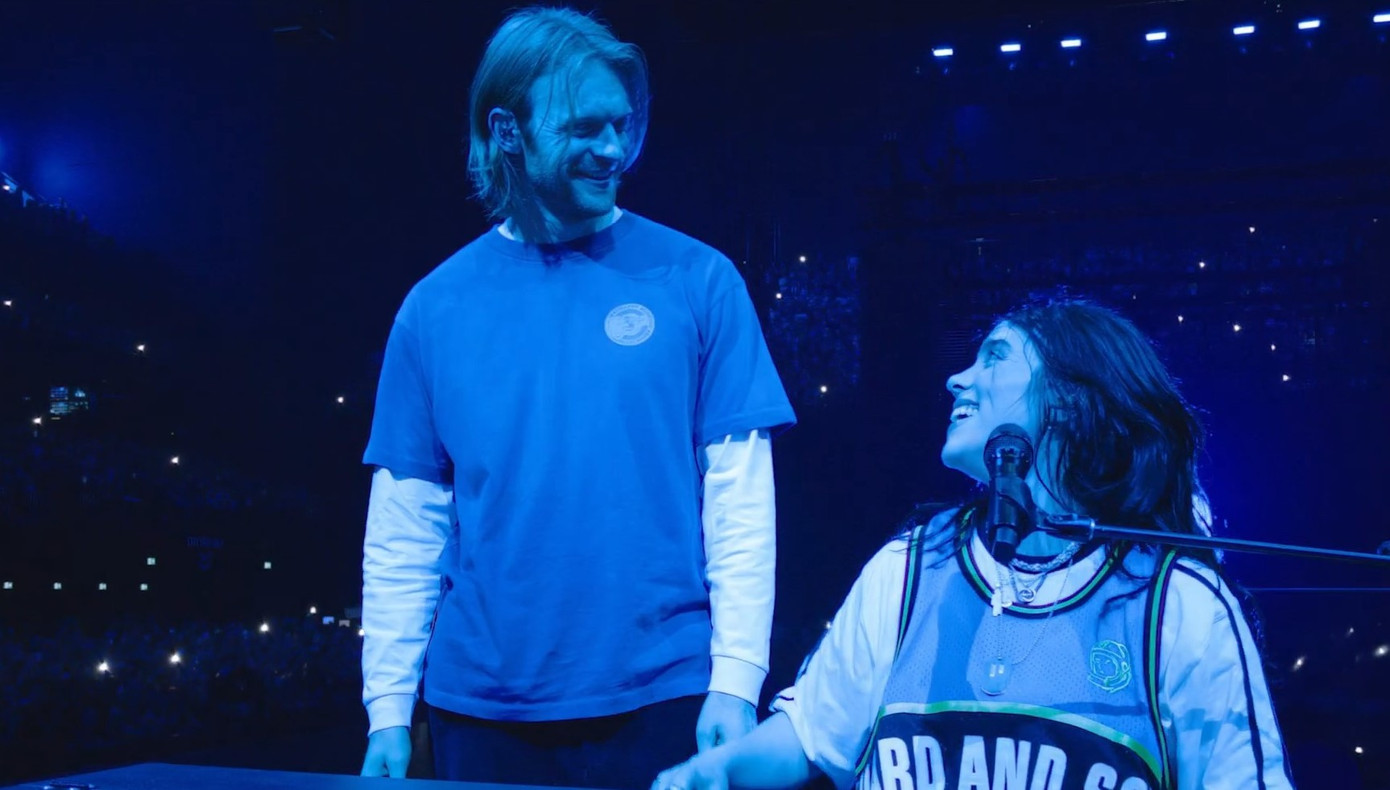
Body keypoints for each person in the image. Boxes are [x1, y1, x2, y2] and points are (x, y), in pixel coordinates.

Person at [357, 6, 796, 788]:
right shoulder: (433, 308)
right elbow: (406, 521)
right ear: (507, 131)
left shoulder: (699, 280)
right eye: (584, 128)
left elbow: (739, 498)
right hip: (479, 712)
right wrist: (387, 707)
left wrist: (736, 678)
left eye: (621, 125)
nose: (613, 149)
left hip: (663, 697)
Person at [654, 299, 1294, 789]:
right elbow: (812, 735)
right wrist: (716, 771)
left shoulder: (1176, 602)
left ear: (1071, 400)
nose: (957, 379)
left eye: (994, 357)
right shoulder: (909, 567)